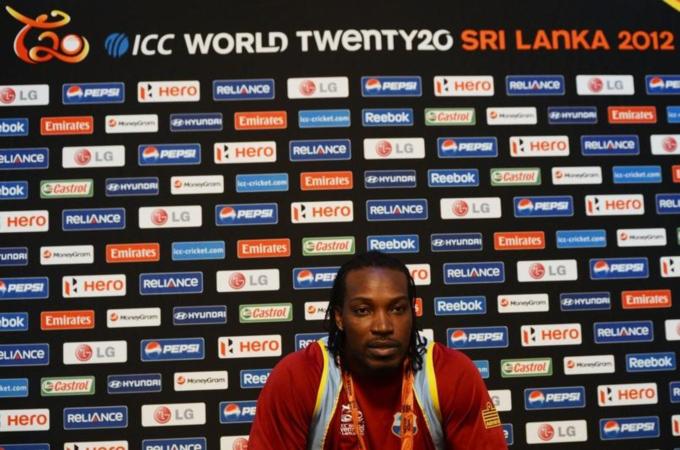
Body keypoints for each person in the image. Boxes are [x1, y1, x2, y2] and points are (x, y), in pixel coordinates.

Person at [248, 251, 507, 450]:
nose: (383, 326)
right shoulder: (299, 376)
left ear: (412, 312)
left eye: (397, 309)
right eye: (363, 310)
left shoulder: (451, 373)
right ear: (339, 317)